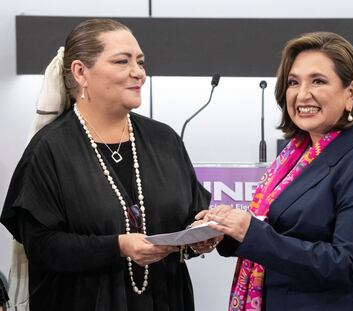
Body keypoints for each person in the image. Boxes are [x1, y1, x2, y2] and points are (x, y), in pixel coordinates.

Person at [0, 18, 215, 311]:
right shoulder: (49, 150)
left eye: (140, 62)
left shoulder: (164, 140)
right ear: (80, 72)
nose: (138, 72)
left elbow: (190, 215)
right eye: (121, 61)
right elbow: (42, 246)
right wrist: (119, 246)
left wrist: (201, 234)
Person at [198, 32, 353, 311]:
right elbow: (284, 231)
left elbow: (348, 265)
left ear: (351, 93)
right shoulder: (298, 152)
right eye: (293, 82)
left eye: (318, 81)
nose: (302, 94)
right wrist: (227, 232)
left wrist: (252, 233)